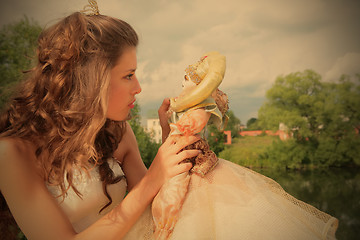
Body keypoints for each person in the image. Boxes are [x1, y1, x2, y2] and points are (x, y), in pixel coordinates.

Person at [0, 2, 200, 240]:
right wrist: (152, 180)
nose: (138, 88)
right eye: (128, 75)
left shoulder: (119, 132)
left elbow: (158, 212)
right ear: (92, 80)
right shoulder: (12, 153)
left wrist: (172, 141)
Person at [124, 51, 339, 240]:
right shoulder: (182, 112)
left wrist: (172, 128)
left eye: (184, 87)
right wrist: (168, 127)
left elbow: (187, 132)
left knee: (183, 210)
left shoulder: (199, 111)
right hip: (183, 168)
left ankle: (164, 225)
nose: (180, 93)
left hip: (196, 170)